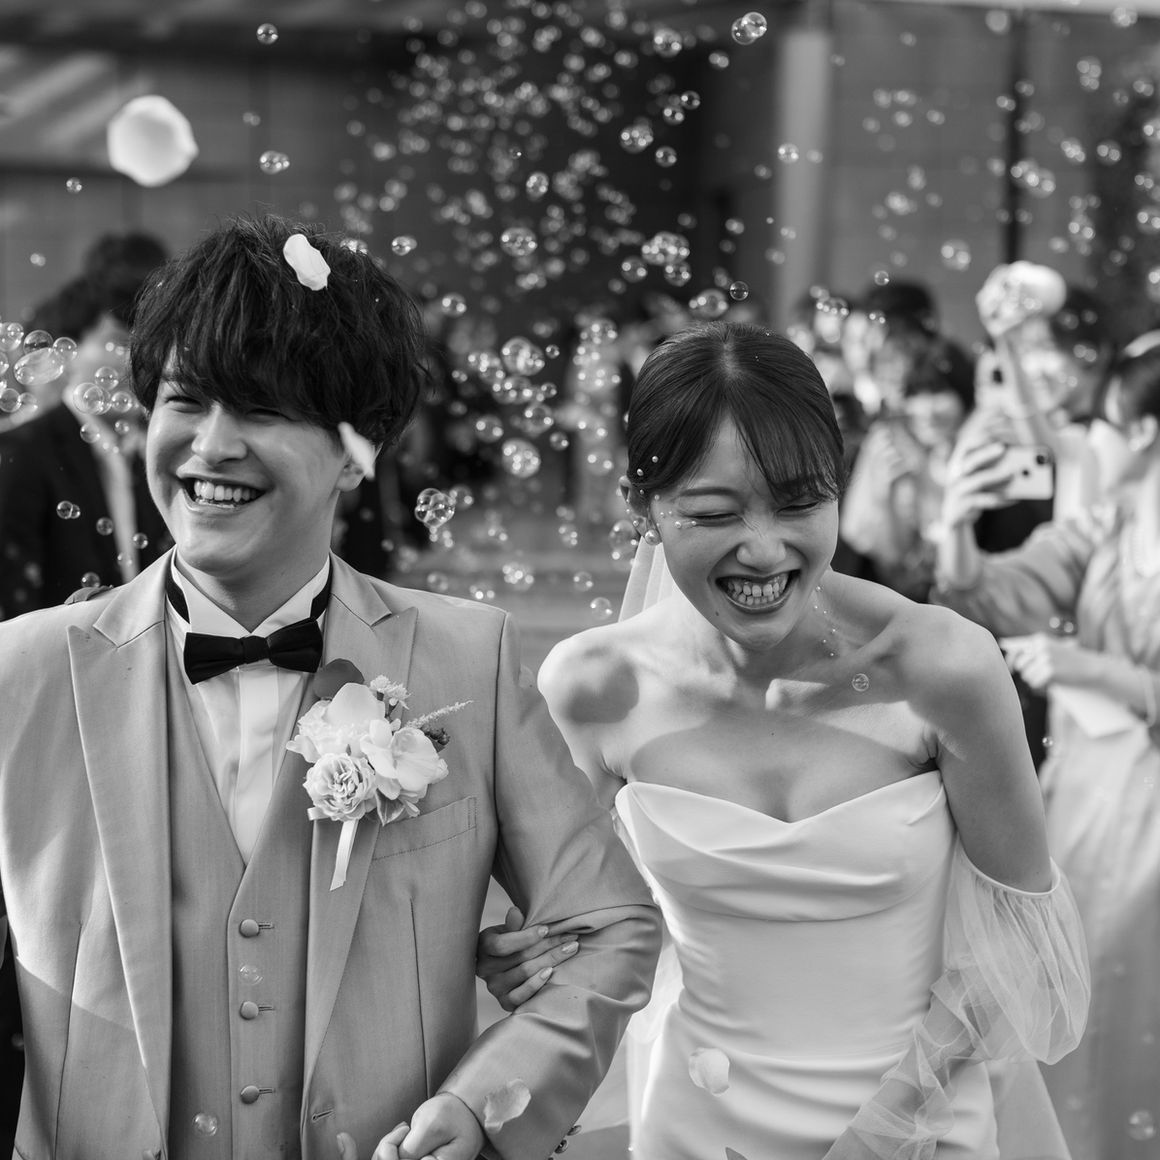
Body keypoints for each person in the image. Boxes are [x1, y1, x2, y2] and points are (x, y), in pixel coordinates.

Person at [0, 214, 660, 1160]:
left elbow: (610, 926)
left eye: (261, 410)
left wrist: (483, 1107)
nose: (211, 446)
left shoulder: (468, 661)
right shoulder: (21, 673)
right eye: (186, 400)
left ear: (359, 450)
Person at [477, 322, 1089, 1160]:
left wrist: (881, 1132)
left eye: (800, 504)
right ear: (643, 507)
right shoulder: (592, 688)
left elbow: (1017, 943)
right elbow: (580, 935)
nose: (764, 551)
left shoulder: (943, 666)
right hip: (699, 1119)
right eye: (713, 514)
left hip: (921, 1118)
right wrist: (525, 961)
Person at [932, 332, 1160, 1160]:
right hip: (1085, 790)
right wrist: (956, 523)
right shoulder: (1109, 525)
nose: (1091, 444)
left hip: (1149, 808)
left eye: (1104, 425)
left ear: (1143, 432)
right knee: (1067, 984)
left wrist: (1089, 668)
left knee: (1139, 996)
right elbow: (986, 594)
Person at [0, 232, 171, 618]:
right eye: (118, 343)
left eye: (146, 346)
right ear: (68, 351)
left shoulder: (148, 450)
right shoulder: (22, 451)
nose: (137, 362)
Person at [840, 337, 975, 602]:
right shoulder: (888, 444)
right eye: (917, 394)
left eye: (940, 392)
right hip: (895, 598)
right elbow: (866, 541)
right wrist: (883, 497)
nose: (928, 409)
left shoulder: (977, 446)